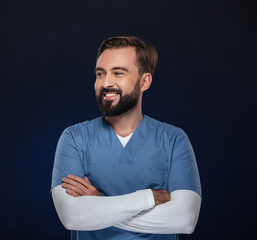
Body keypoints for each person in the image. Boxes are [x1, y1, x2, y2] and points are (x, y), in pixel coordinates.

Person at [50, 36, 202, 240]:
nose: (105, 83)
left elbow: (185, 220)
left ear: (144, 81)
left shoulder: (173, 140)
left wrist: (98, 203)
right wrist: (149, 198)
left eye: (118, 73)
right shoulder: (74, 139)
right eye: (100, 74)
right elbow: (72, 217)